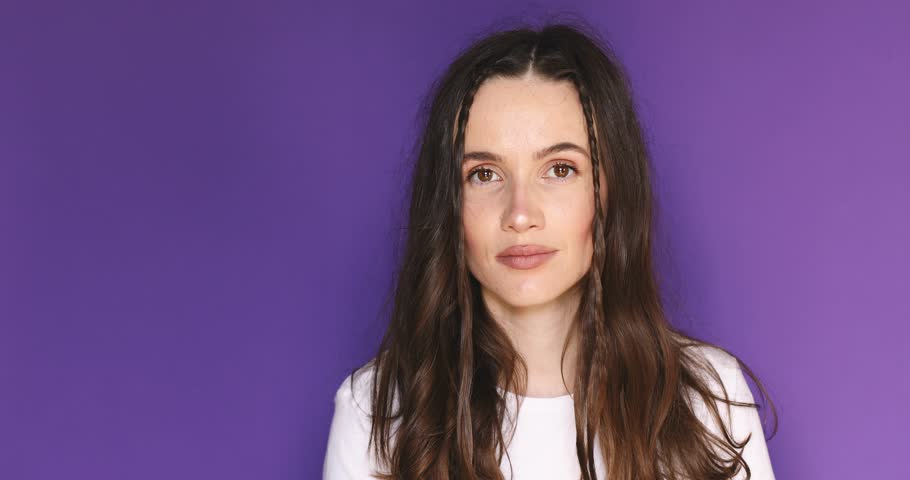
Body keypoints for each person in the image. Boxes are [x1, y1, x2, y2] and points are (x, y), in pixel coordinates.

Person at [323, 21, 778, 480]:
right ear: (447, 204)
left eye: (560, 169)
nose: (520, 215)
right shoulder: (376, 412)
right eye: (484, 174)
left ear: (610, 192)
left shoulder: (709, 399)